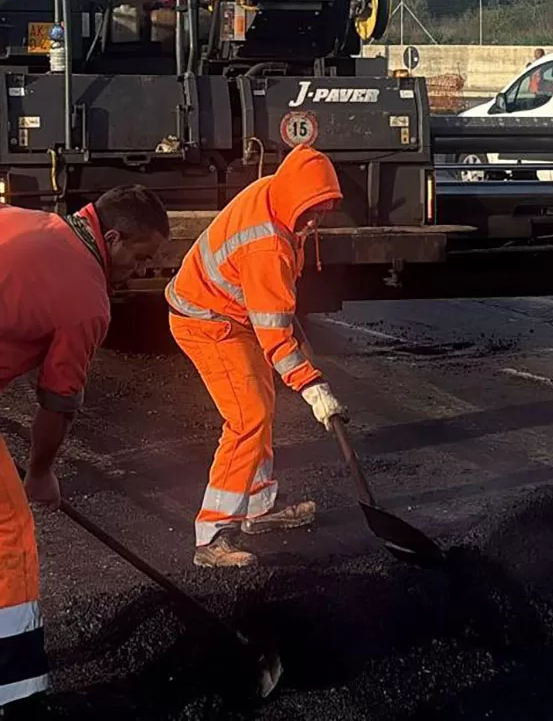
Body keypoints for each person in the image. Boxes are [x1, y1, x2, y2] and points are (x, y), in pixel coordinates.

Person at [0, 187, 169, 711]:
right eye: (140, 256)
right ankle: (18, 693)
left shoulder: (21, 219)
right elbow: (57, 403)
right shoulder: (86, 302)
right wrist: (40, 473)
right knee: (8, 534)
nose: (142, 270)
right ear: (111, 238)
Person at [166, 144, 347, 569]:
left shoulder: (275, 193)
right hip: (208, 322)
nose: (314, 221)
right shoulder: (267, 245)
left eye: (322, 212)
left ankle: (258, 507)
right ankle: (212, 534)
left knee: (261, 408)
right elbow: (276, 340)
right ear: (295, 197)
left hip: (231, 313)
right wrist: (313, 388)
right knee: (248, 418)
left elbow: (273, 313)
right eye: (311, 211)